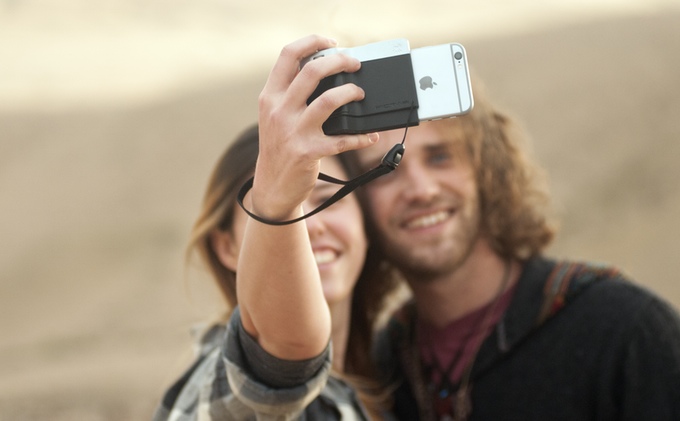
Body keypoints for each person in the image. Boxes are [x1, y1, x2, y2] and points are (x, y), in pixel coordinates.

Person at [340, 75, 680, 420]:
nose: (421, 190)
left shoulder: (626, 332)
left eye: (440, 157)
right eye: (385, 169)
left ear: (487, 167)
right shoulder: (378, 372)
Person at [152, 35, 400, 420]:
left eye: (328, 198)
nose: (310, 225)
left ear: (363, 221)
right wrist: (277, 206)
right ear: (226, 247)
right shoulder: (229, 387)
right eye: (290, 205)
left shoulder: (394, 371)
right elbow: (285, 357)